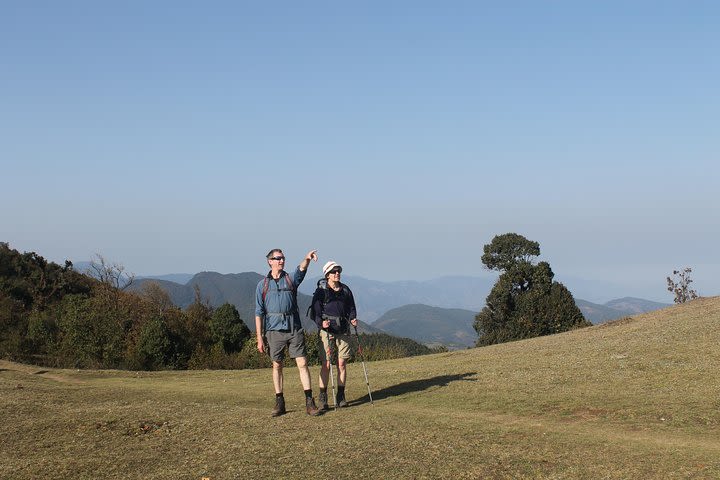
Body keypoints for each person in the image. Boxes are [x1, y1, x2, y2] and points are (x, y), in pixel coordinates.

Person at [255, 248, 321, 417]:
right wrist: (259, 338)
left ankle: (309, 402)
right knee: (277, 365)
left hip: (294, 328)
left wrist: (306, 258)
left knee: (303, 363)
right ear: (270, 261)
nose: (281, 261)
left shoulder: (290, 279)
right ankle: (279, 402)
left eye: (283, 258)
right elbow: (258, 313)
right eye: (278, 258)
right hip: (273, 330)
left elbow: (301, 270)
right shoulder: (262, 285)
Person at [312, 260, 358, 409]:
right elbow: (315, 312)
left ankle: (341, 396)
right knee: (326, 364)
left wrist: (353, 318)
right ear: (327, 275)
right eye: (333, 271)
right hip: (327, 331)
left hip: (343, 330)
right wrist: (321, 323)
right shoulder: (321, 291)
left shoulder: (345, 290)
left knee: (342, 363)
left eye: (338, 271)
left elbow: (351, 307)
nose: (337, 273)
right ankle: (323, 397)